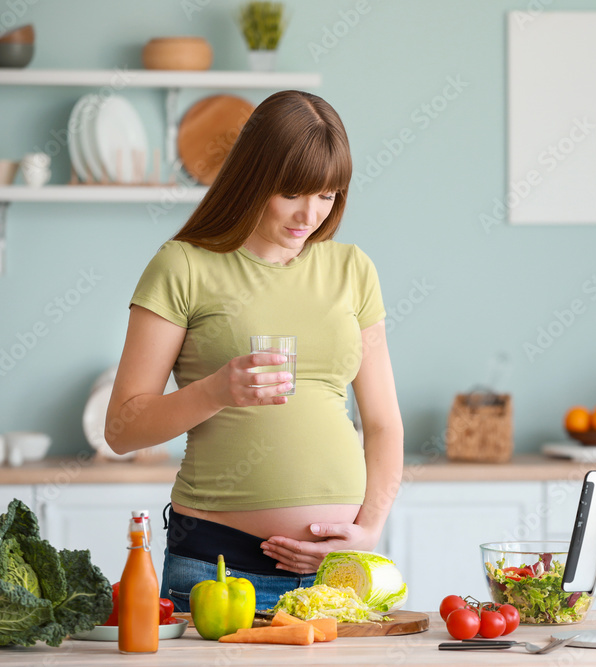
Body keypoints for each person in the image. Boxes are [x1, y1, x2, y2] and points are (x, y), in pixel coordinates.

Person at [105, 90, 403, 612]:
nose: (310, 214)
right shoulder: (183, 266)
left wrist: (371, 528)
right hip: (216, 568)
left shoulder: (353, 270)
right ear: (253, 176)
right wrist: (217, 390)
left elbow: (383, 424)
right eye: (293, 192)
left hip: (338, 574)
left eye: (329, 195)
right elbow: (123, 429)